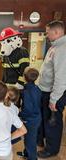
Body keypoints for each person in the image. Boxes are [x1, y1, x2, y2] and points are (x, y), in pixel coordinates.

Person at [37, 20, 66, 158]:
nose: (46, 35)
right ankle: (43, 141)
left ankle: (52, 149)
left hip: (54, 93)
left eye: (48, 33)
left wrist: (54, 99)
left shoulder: (63, 49)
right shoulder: (54, 46)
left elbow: (61, 77)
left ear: (56, 32)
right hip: (45, 90)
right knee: (45, 118)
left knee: (53, 122)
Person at [16, 67, 42, 160]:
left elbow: (28, 109)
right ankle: (26, 153)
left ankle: (32, 158)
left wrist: (20, 115)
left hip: (30, 120)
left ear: (24, 77)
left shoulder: (26, 92)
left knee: (30, 141)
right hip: (36, 118)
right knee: (29, 139)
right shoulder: (37, 88)